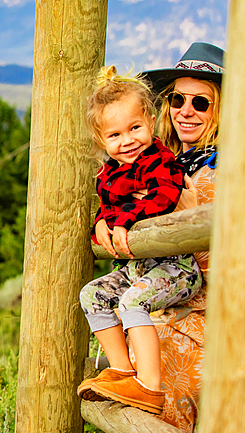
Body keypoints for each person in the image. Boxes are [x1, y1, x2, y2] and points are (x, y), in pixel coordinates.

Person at [123, 42, 223, 433]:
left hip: (196, 335)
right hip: (183, 334)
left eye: (201, 103)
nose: (185, 111)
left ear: (220, 110)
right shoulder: (169, 166)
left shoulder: (218, 174)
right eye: (177, 100)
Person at [76, 66, 202, 415]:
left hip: (176, 269)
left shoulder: (159, 162)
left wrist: (124, 219)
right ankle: (123, 371)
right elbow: (110, 207)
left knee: (133, 301)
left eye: (135, 128)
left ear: (150, 120)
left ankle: (149, 386)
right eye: (115, 135)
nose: (127, 140)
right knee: (92, 295)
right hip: (138, 268)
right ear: (101, 141)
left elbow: (163, 196)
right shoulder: (110, 174)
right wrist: (101, 222)